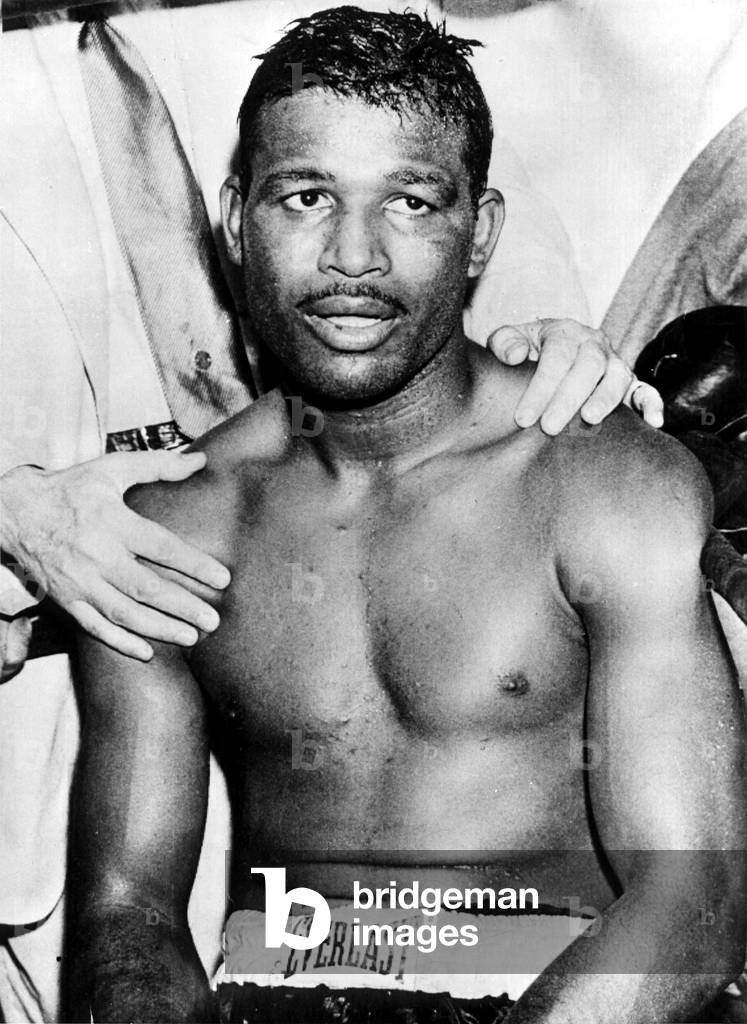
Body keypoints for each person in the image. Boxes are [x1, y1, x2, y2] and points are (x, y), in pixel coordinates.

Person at [63, 6, 744, 1022]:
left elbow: (695, 896)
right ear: (235, 215)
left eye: (412, 203)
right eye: (305, 196)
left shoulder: (604, 480)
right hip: (281, 996)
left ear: (480, 233)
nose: (355, 258)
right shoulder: (166, 529)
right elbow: (127, 913)